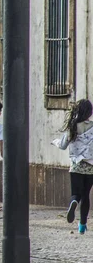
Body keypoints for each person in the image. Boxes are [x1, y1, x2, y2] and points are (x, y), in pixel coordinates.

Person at [52, 99, 93, 234]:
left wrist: (55, 142)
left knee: (76, 193)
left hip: (76, 165)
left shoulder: (73, 127)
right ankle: (82, 225)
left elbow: (63, 145)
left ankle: (74, 202)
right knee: (86, 195)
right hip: (91, 166)